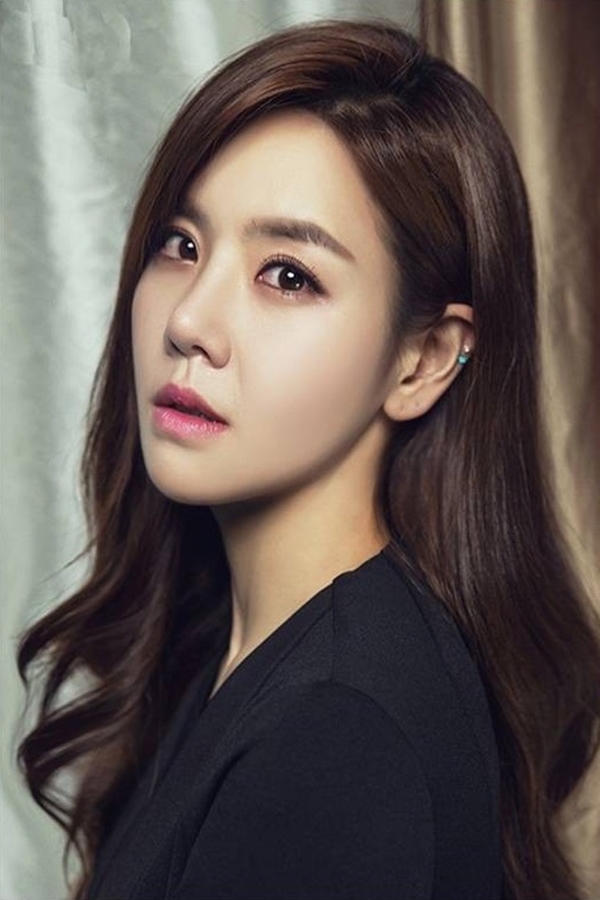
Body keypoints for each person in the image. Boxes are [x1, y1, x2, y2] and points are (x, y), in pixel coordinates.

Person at [16, 18, 600, 900]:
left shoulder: (340, 732)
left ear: (423, 360)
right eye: (182, 244)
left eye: (287, 274)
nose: (189, 321)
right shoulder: (234, 652)